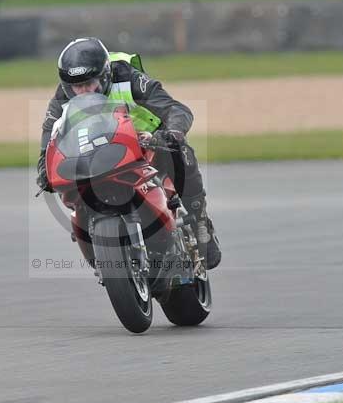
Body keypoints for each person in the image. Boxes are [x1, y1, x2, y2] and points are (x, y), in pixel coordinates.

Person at [36, 37, 221, 270]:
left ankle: (200, 221)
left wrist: (171, 133)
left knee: (181, 151)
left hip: (150, 139)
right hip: (102, 150)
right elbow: (50, 135)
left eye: (89, 83)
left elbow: (177, 109)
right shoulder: (63, 98)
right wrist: (45, 165)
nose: (82, 91)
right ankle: (93, 235)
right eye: (77, 86)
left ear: (104, 75)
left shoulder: (127, 77)